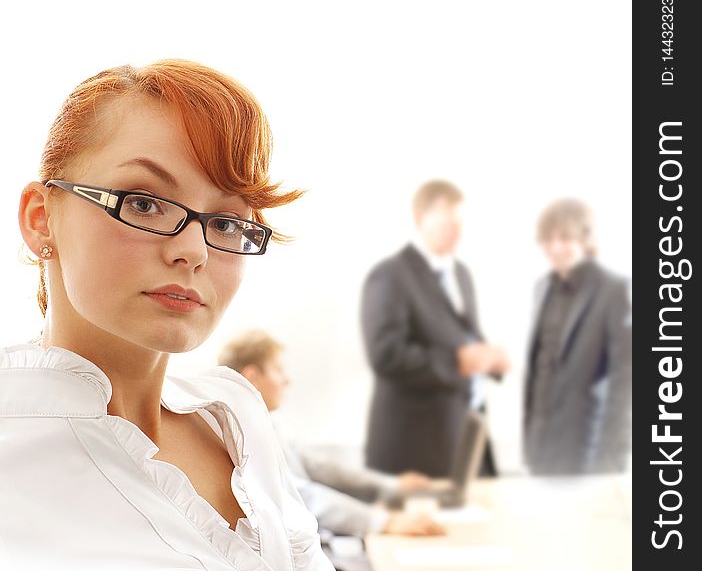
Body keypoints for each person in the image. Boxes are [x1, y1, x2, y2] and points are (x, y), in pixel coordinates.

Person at [0, 60, 334, 570]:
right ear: (41, 218)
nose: (194, 251)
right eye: (144, 203)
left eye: (225, 221)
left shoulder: (234, 415)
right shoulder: (16, 448)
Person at [218, 330, 446, 540]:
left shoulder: (268, 423)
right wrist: (383, 522)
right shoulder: (241, 433)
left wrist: (391, 486)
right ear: (252, 375)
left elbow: (319, 466)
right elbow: (298, 495)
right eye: (279, 370)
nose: (287, 380)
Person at [360, 180, 509, 478]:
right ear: (419, 218)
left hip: (467, 440)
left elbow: (464, 336)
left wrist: (489, 359)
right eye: (446, 218)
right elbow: (386, 355)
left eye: (459, 219)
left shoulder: (461, 274)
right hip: (417, 450)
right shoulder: (390, 275)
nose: (456, 228)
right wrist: (458, 361)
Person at [523, 198, 632, 475]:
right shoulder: (541, 287)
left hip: (587, 448)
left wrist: (611, 460)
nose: (556, 247)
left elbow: (627, 379)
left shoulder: (615, 289)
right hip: (539, 447)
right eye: (548, 239)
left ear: (585, 238)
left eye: (565, 237)